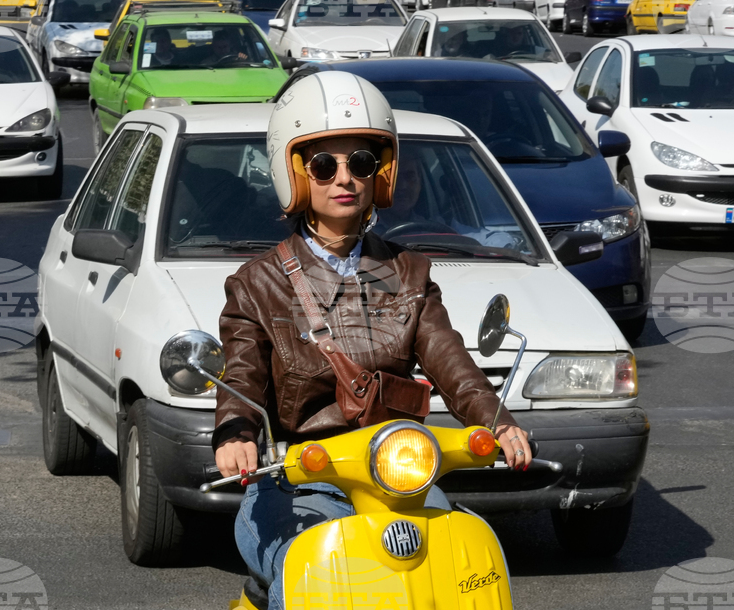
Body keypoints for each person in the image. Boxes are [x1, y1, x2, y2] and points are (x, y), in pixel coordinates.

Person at [213, 71, 532, 610]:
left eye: (361, 162)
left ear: (379, 174)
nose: (345, 178)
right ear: (295, 173)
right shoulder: (256, 284)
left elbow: (449, 358)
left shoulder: (409, 272)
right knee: (310, 568)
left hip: (400, 480)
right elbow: (240, 375)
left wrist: (495, 419)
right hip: (299, 482)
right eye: (323, 164)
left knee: (461, 562)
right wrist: (235, 433)